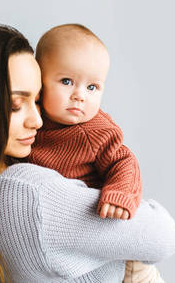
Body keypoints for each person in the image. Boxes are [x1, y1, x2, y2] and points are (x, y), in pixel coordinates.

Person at [0, 21, 175, 283]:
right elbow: (164, 234)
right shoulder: (28, 194)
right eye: (14, 106)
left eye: (37, 100)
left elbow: (120, 160)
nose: (38, 121)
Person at [29, 23, 164, 282]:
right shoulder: (31, 123)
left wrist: (120, 194)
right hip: (79, 247)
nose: (79, 95)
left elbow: (124, 161)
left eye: (92, 87)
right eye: (66, 81)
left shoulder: (94, 131)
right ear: (40, 82)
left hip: (124, 260)